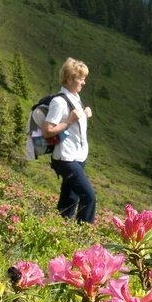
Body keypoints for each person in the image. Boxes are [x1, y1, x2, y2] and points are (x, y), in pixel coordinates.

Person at [40, 58, 96, 222]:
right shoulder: (59, 102)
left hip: (78, 156)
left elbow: (74, 126)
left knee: (70, 198)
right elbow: (47, 131)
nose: (84, 82)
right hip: (65, 157)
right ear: (70, 78)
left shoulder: (75, 98)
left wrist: (84, 115)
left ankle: (59, 228)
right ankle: (84, 236)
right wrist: (69, 121)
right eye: (81, 78)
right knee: (89, 196)